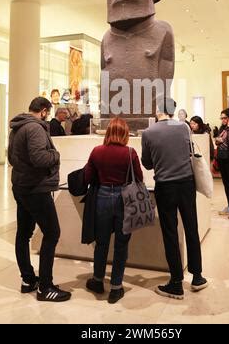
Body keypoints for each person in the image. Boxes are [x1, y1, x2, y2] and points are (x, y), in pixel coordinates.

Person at [141, 98, 208, 300]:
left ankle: (176, 282)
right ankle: (197, 277)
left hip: (165, 185)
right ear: (173, 111)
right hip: (187, 183)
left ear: (157, 110)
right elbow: (188, 152)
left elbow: (147, 163)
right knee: (191, 227)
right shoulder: (184, 128)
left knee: (170, 232)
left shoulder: (149, 133)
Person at [8, 97, 71, 302]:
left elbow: (12, 158)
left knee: (24, 234)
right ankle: (45, 287)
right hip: (36, 189)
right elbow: (40, 158)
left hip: (22, 186)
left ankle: (28, 280)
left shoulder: (17, 127)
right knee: (52, 233)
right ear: (43, 111)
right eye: (48, 113)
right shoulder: (34, 128)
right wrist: (56, 155)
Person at [84, 118, 143, 304]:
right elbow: (139, 178)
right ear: (125, 134)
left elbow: (87, 176)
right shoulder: (130, 153)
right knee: (121, 244)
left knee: (101, 243)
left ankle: (98, 280)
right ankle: (116, 288)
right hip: (124, 199)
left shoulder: (97, 151)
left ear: (108, 132)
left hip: (102, 196)